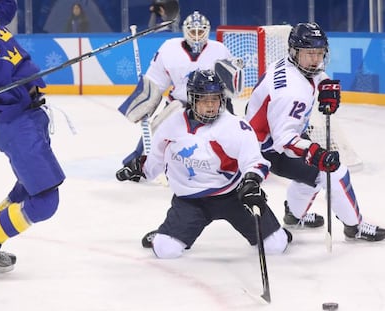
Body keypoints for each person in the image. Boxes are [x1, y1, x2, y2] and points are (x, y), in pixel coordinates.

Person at [119, 69, 292, 258]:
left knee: (275, 245)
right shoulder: (171, 124)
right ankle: (165, 233)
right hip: (190, 201)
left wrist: (251, 183)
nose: (211, 106)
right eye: (204, 100)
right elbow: (157, 158)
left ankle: (276, 232)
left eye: (215, 99)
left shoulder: (233, 126)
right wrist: (140, 170)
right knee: (165, 250)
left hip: (233, 195)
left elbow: (255, 162)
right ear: (192, 100)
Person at [245, 22, 385, 241]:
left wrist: (326, 84)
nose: (316, 59)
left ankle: (294, 215)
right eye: (310, 53)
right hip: (267, 149)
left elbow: (316, 74)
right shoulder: (291, 92)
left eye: (319, 53)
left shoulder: (290, 65)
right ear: (294, 52)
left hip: (271, 136)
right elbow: (285, 140)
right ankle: (354, 227)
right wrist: (314, 152)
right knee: (333, 170)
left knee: (310, 176)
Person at [0, 0, 65, 281]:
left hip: (33, 116)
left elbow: (7, 4)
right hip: (14, 125)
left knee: (27, 187)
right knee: (46, 201)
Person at [117, 11, 244, 181]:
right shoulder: (169, 49)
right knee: (157, 131)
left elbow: (229, 85)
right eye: (193, 31)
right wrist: (144, 102)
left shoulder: (219, 50)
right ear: (185, 31)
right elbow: (155, 81)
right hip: (180, 104)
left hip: (211, 104)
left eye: (200, 31)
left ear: (207, 31)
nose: (197, 36)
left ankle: (238, 163)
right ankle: (137, 165)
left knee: (229, 133)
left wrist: (228, 108)